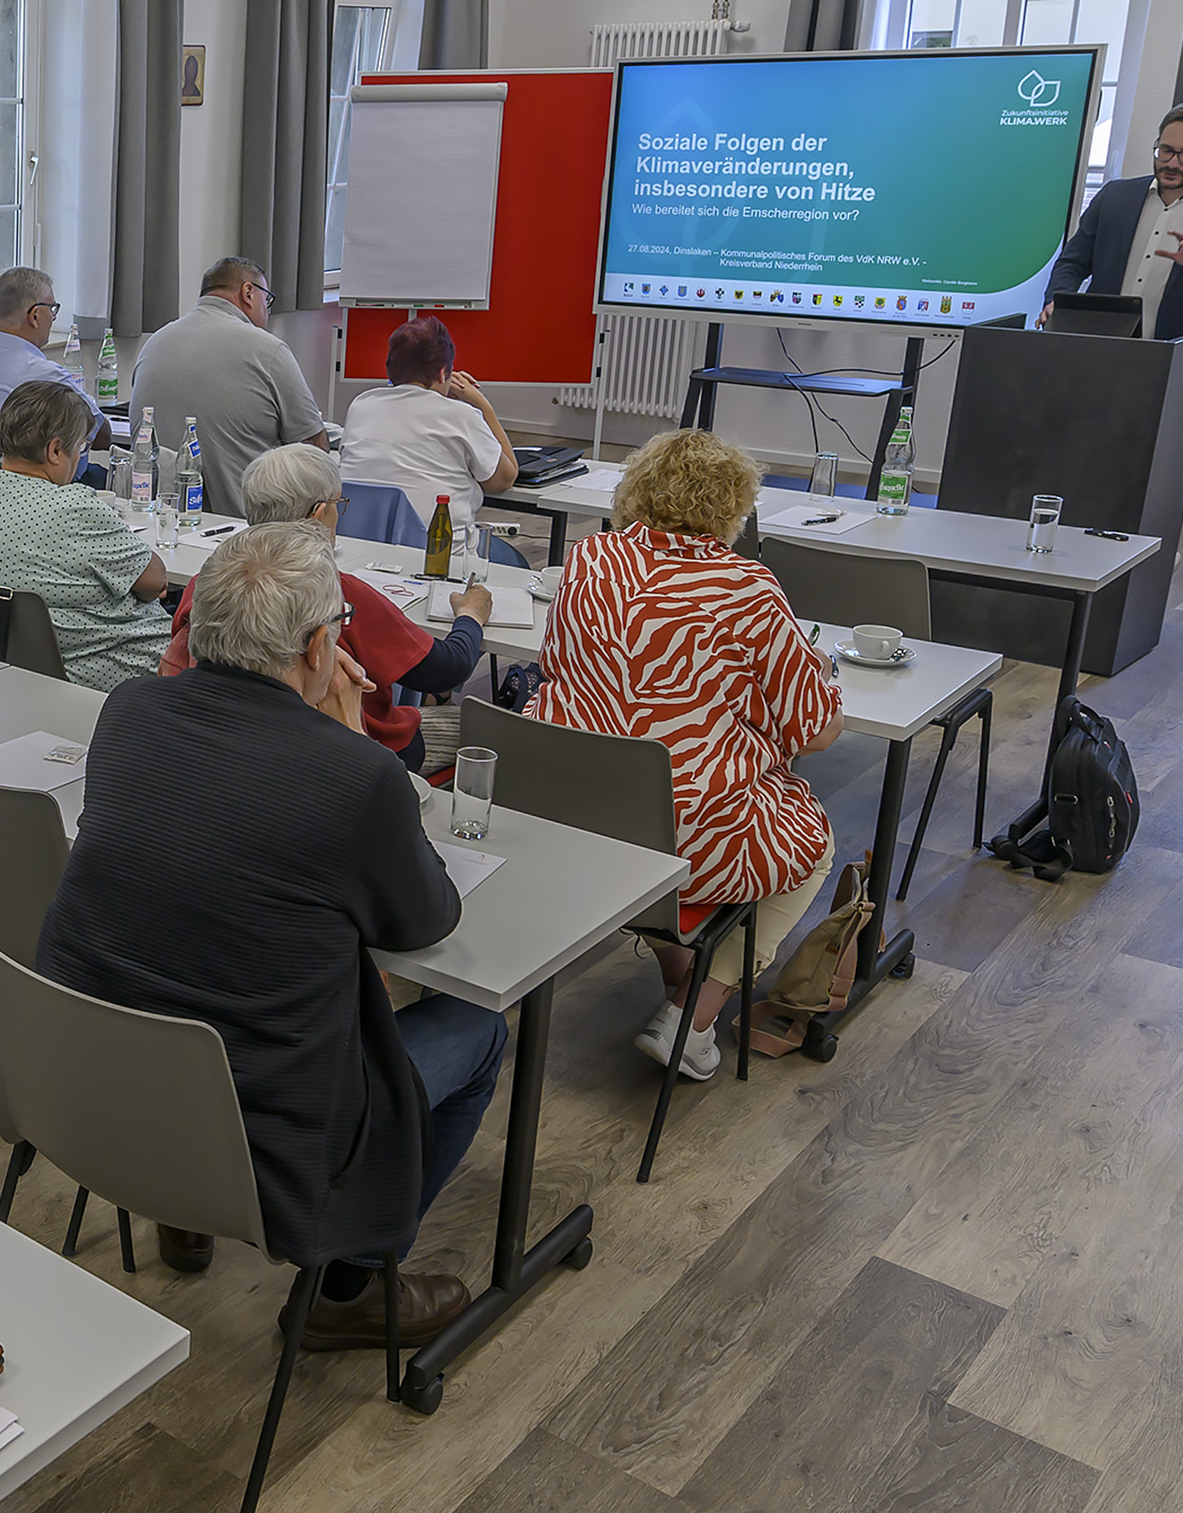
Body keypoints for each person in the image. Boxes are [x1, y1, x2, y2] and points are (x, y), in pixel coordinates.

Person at [39, 526, 503, 1335]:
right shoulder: (353, 776)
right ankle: (347, 1290)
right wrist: (355, 745)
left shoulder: (128, 710)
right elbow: (427, 916)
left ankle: (181, 1211)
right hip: (266, 1134)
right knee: (480, 1027)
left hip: (100, 1084)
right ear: (321, 645)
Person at [531, 428, 843, 1079]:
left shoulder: (589, 560)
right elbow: (814, 731)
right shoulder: (748, 588)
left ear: (635, 489)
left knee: (649, 805)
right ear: (733, 508)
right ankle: (692, 1013)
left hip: (573, 812)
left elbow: (560, 666)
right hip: (685, 836)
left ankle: (684, 978)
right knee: (811, 842)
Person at [159, 448, 490, 770]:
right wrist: (470, 614)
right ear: (318, 514)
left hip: (224, 740)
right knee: (474, 727)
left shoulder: (207, 581)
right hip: (352, 752)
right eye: (337, 504)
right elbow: (448, 668)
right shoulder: (339, 594)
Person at [0, 380, 171, 691]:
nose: (79, 459)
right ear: (55, 450)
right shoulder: (74, 506)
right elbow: (155, 581)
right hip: (96, 671)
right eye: (81, 448)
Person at [1040, 98, 1183, 339]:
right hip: (1100, 346)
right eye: (1166, 150)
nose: (1172, 163)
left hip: (1177, 355)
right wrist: (1057, 301)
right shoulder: (1114, 196)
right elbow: (1072, 262)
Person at [124, 257, 325, 519]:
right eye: (268, 301)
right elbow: (315, 447)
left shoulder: (154, 343)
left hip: (157, 523)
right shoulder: (267, 348)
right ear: (248, 292)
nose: (268, 311)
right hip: (244, 528)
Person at [339, 314, 522, 561]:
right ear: (443, 372)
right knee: (516, 561)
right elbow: (504, 478)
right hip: (440, 557)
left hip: (364, 551)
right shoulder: (462, 415)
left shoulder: (361, 404)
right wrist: (483, 407)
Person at [0, 268, 111, 446]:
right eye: (52, 308)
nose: (53, 317)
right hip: (24, 473)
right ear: (35, 316)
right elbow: (102, 436)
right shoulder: (48, 375)